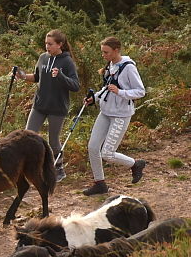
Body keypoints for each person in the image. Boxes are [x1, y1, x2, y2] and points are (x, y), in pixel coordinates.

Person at [81, 37, 146, 196]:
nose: (103, 55)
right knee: (92, 147)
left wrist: (120, 92)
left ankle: (135, 164)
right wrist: (94, 98)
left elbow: (140, 91)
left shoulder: (129, 67)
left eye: (106, 52)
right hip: (105, 112)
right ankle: (99, 183)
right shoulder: (111, 64)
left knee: (107, 153)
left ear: (116, 50)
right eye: (102, 51)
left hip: (120, 115)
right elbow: (106, 88)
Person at [14, 29, 80, 182]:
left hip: (57, 108)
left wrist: (61, 76)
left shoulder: (67, 61)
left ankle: (59, 168)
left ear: (60, 45)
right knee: (27, 135)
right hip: (39, 105)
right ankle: (27, 168)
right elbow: (37, 77)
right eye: (46, 43)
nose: (47, 47)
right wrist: (22, 76)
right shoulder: (43, 58)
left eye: (50, 44)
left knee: (53, 140)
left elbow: (76, 85)